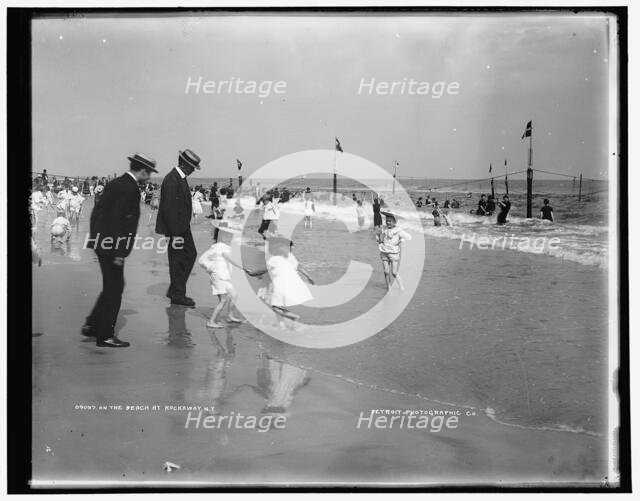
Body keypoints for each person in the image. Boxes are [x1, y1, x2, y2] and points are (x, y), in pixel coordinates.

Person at [83, 153, 157, 347]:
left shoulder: (116, 183)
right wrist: (118, 252)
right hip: (112, 247)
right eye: (148, 173)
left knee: (111, 286)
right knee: (115, 288)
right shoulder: (129, 188)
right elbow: (121, 222)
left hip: (103, 243)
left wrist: (97, 240)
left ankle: (92, 325)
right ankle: (105, 334)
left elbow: (97, 213)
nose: (149, 178)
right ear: (141, 170)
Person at [156, 149, 202, 307]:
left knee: (189, 255)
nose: (192, 171)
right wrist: (175, 233)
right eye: (191, 167)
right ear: (183, 164)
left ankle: (175, 289)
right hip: (176, 229)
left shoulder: (179, 177)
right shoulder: (172, 179)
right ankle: (177, 294)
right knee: (177, 260)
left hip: (182, 227)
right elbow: (169, 208)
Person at [247, 236, 314, 329]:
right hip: (289, 285)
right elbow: (299, 267)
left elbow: (263, 269)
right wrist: (308, 277)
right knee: (278, 305)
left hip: (278, 286)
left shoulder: (274, 259)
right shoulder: (290, 257)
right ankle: (282, 325)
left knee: (274, 306)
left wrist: (252, 273)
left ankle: (293, 317)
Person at [198, 222, 245, 328]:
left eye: (231, 236)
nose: (230, 238)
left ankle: (230, 316)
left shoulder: (221, 246)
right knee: (223, 300)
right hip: (219, 278)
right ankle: (211, 321)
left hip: (224, 277)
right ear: (221, 236)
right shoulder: (220, 246)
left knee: (234, 295)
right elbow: (228, 258)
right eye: (227, 236)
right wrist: (242, 267)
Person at [376, 212, 411, 290]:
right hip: (384, 252)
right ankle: (388, 286)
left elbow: (408, 236)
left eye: (390, 221)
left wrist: (400, 241)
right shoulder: (384, 228)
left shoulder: (398, 230)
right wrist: (379, 240)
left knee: (394, 272)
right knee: (386, 271)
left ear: (394, 222)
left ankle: (401, 287)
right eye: (387, 220)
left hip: (394, 254)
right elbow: (378, 234)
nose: (388, 222)